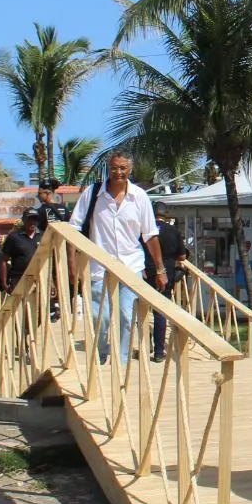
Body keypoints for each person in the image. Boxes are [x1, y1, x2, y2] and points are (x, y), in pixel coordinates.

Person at [69, 152, 166, 365]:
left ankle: (121, 361)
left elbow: (150, 235)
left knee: (126, 315)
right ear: (108, 168)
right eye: (114, 167)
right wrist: (72, 265)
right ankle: (100, 355)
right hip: (98, 266)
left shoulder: (139, 196)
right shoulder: (92, 194)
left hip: (130, 265)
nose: (118, 172)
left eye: (123, 168)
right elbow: (73, 229)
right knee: (99, 317)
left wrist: (160, 269)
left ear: (130, 170)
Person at [146, 201, 189, 362]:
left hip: (144, 273)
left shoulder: (144, 230)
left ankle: (144, 343)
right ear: (166, 214)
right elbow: (182, 256)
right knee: (160, 313)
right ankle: (159, 351)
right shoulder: (173, 231)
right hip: (166, 275)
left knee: (139, 310)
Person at [0, 212, 40, 295]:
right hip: (18, 279)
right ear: (23, 220)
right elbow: (3, 260)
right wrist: (4, 283)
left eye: (35, 219)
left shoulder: (42, 235)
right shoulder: (14, 237)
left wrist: (52, 282)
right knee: (17, 302)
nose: (33, 222)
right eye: (30, 219)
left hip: (38, 279)